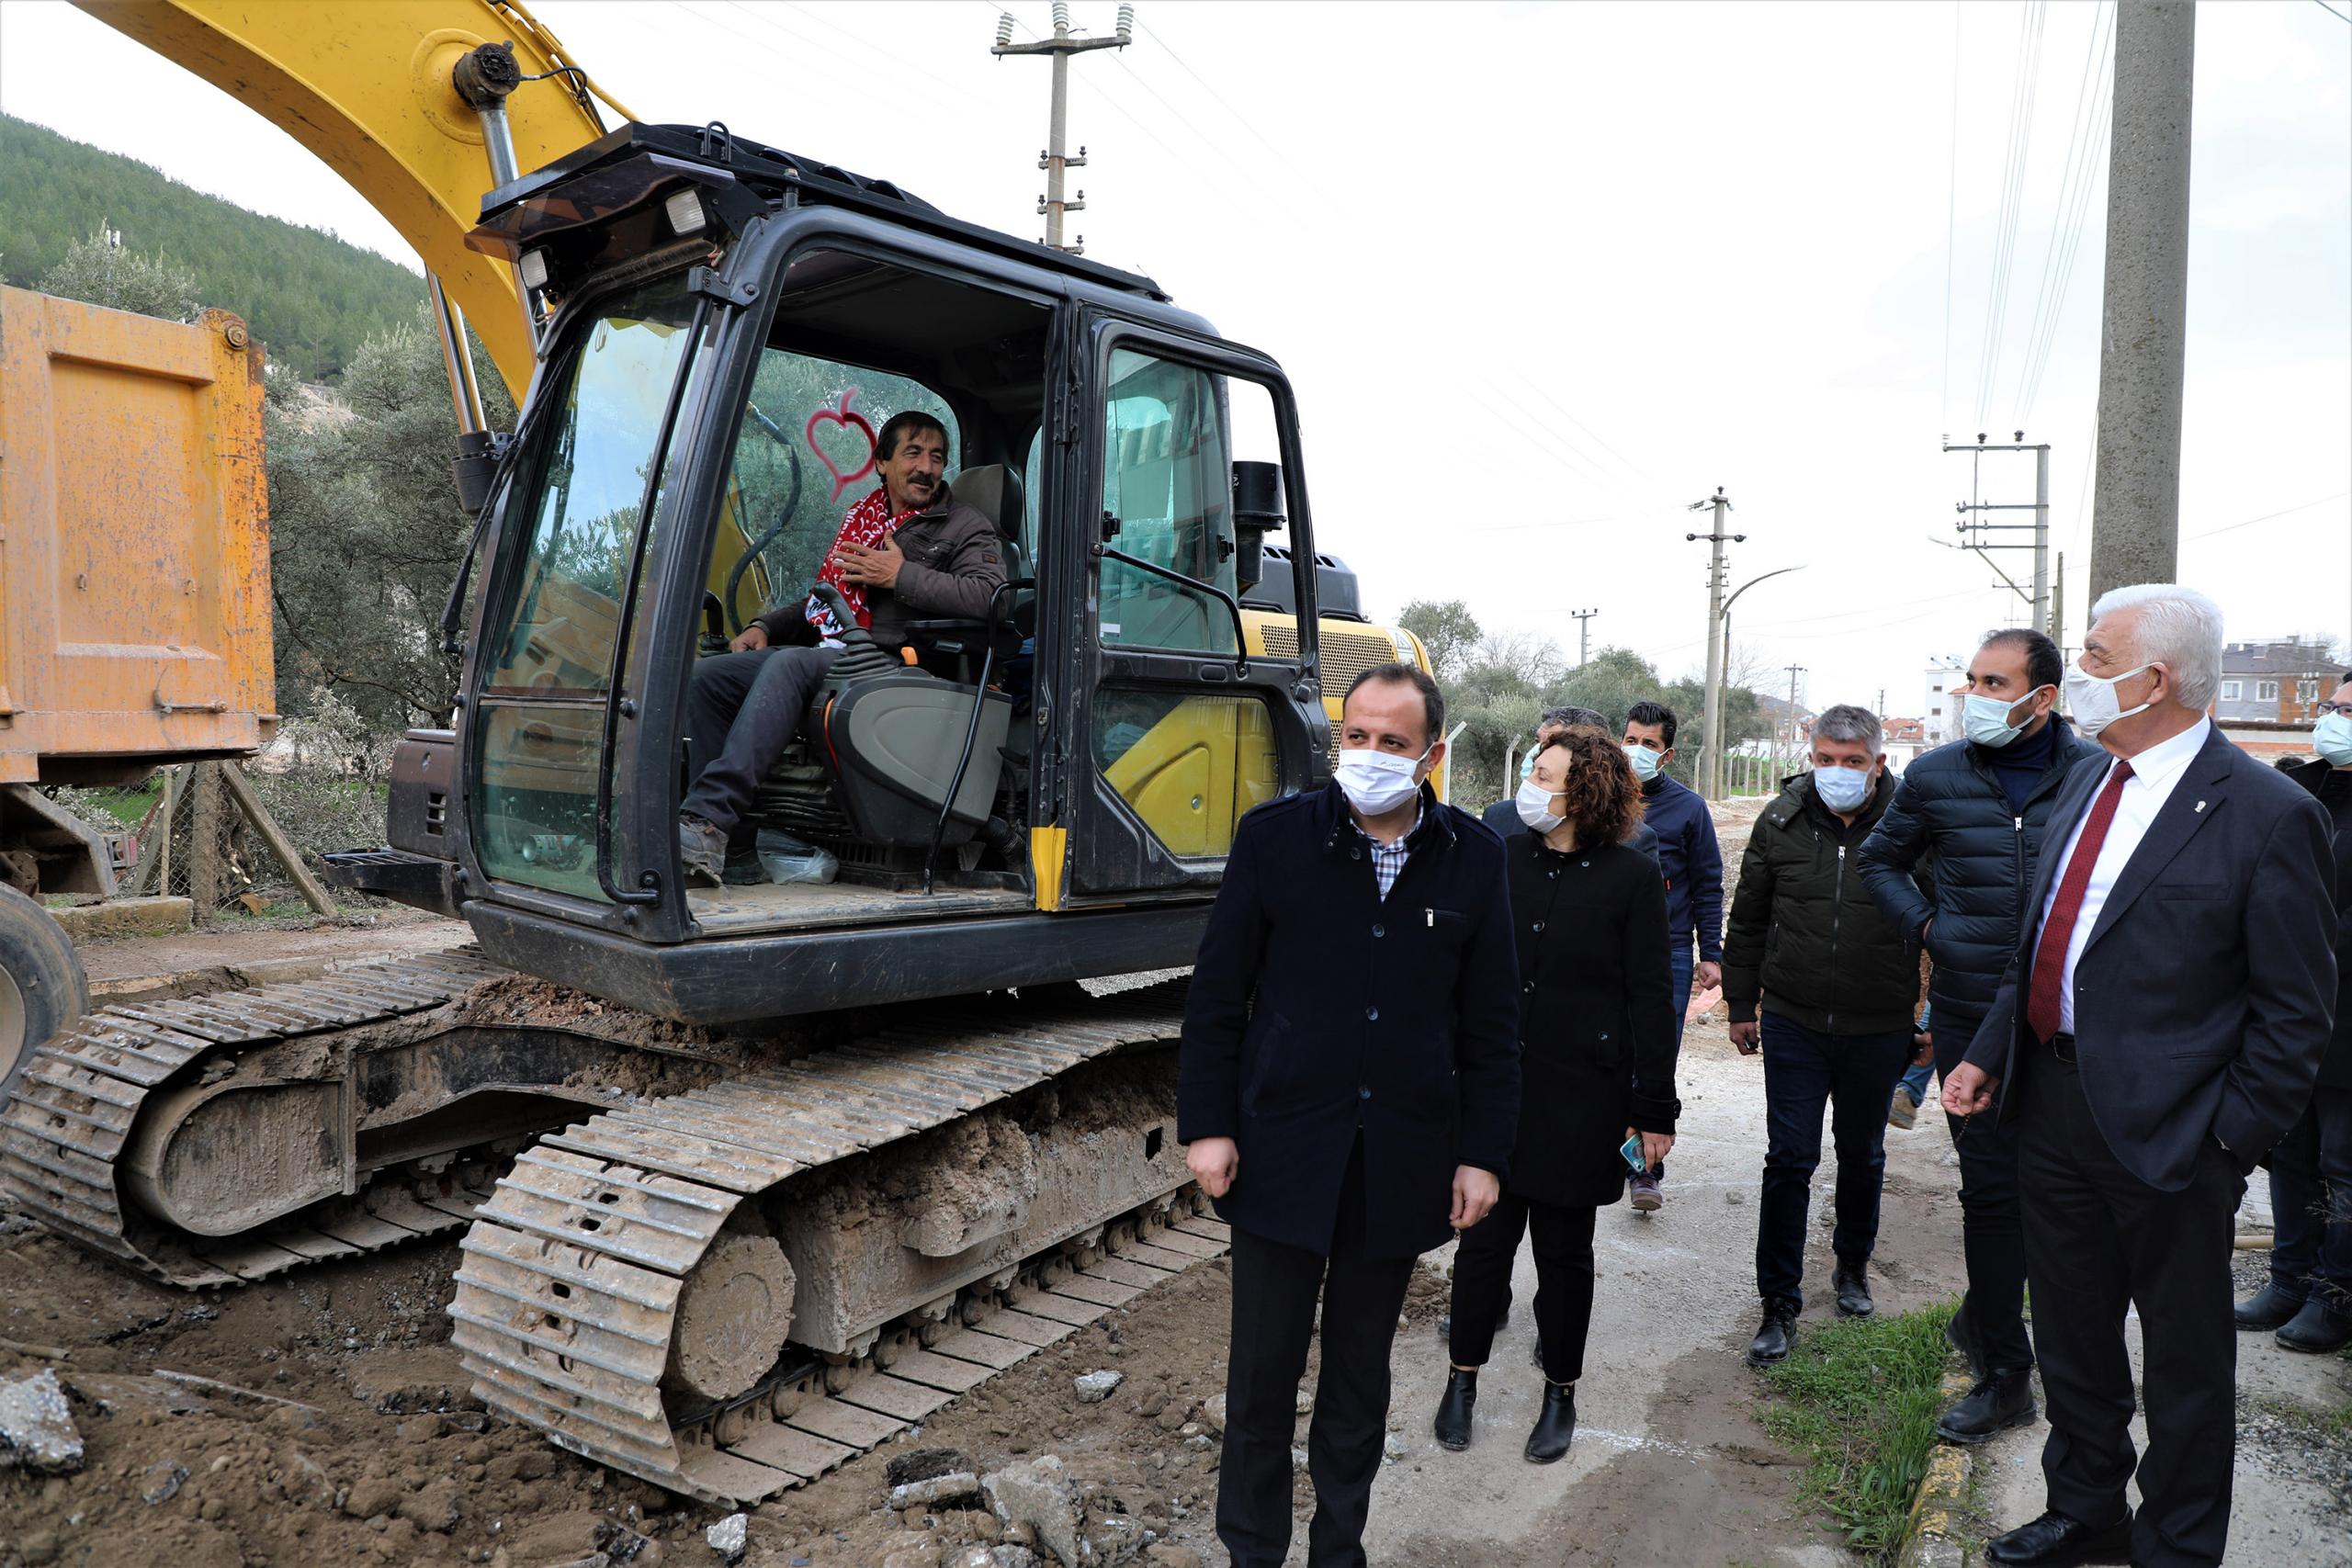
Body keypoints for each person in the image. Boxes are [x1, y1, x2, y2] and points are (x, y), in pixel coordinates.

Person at [1945, 585, 2335, 1568]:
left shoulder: (2267, 812)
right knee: (2071, 1333)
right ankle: (2086, 1510)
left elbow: (2295, 1011)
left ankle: (2176, 1545)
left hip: (2177, 1134)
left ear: (2152, 679)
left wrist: (2227, 1141)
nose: (2075, 670)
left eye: (2092, 654)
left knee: (2185, 1365)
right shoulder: (2089, 781)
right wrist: (1990, 1050)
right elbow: (2045, 941)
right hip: (2051, 1105)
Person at [1180, 661, 1520, 1568]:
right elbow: (1218, 996)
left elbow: (1492, 1026)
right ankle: (1253, 1551)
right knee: (1261, 1378)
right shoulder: (1274, 839)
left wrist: (1482, 1153)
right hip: (1279, 1151)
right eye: (1356, 736)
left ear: (1431, 756)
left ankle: (1339, 1549)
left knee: (1358, 1381)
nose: (1369, 753)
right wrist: (1208, 1124)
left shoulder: (1474, 858)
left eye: (1392, 742)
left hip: (1399, 1161)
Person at [1859, 626, 2103, 1443]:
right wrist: (1931, 929)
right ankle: (2005, 1373)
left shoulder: (2097, 775)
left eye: (1995, 683)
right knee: (1991, 1193)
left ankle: (1995, 1319)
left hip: (2063, 1017)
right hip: (1968, 1013)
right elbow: (1880, 862)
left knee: (2059, 1196)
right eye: (1972, 680)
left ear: (2043, 696)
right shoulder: (1935, 775)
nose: (1975, 696)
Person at [1433, 728, 1678, 1463]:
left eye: (1544, 775)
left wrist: (1653, 1107)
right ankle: (1462, 1379)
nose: (1530, 785)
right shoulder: (1501, 857)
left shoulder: (1632, 877)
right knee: (1481, 1244)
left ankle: (1560, 1391)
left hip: (1582, 1097)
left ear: (1584, 792)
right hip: (1498, 1092)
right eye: (1533, 770)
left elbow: (1650, 998)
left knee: (1565, 1255)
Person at [677, 412, 1003, 884]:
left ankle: (707, 821)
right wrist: (765, 625)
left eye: (936, 457)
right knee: (709, 678)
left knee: (793, 665)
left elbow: (990, 597)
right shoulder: (864, 518)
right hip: (836, 651)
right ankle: (738, 848)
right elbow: (827, 598)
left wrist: (901, 576)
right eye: (913, 453)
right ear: (882, 463)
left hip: (901, 664)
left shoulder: (963, 526)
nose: (926, 468)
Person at [1723, 705, 1922, 1364]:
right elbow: (1748, 918)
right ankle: (1778, 1302)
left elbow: (1945, 923)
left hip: (1879, 1023)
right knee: (1789, 1159)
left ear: (1878, 763)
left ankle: (1852, 1267)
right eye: (1826, 759)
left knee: (1863, 1154)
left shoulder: (1913, 825)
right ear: (1811, 758)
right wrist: (1741, 1004)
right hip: (1794, 1022)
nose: (1838, 771)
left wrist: (1932, 1018)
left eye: (1853, 761)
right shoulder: (1779, 821)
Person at [2233, 674, 2352, 1355]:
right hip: (2290, 1013)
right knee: (2291, 1154)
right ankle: (2289, 1280)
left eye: (2349, 711)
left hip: (2346, 1018)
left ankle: (2335, 1296)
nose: (2333, 718)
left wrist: (2296, 939)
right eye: (2332, 706)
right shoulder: (2303, 790)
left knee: (2344, 1161)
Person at [1621, 699, 1723, 1211]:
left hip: (1669, 950)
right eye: (1630, 740)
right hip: (1607, 947)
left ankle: (1645, 1170)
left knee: (1655, 1055)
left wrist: (1711, 953)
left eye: (1649, 744)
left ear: (1667, 755)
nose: (1636, 750)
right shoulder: (1602, 798)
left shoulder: (1689, 809)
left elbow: (1707, 883)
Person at [1485, 706, 1662, 864]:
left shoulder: (1633, 843)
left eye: (1556, 742)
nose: (1539, 753)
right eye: (1539, 741)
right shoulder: (1497, 818)